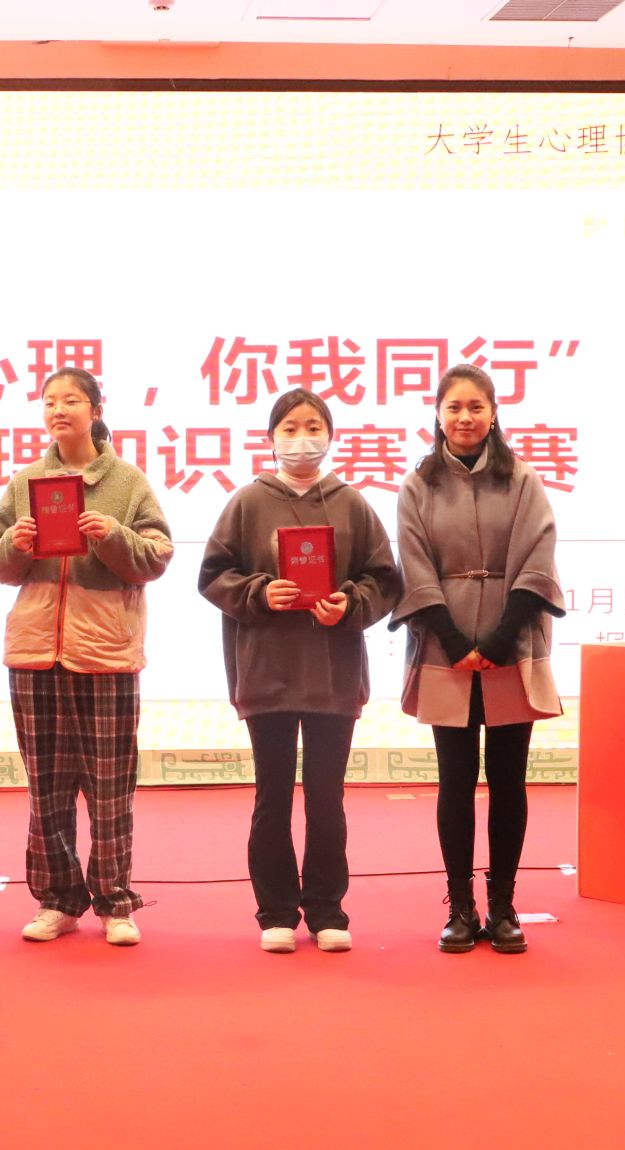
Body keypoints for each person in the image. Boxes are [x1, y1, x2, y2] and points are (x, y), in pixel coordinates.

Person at [199, 388, 402, 954]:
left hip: (332, 673)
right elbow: (213, 576)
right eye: (289, 428)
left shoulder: (352, 504)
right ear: (271, 438)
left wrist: (350, 604)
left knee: (326, 798)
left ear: (330, 436)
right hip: (266, 672)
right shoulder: (247, 502)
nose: (301, 438)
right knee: (272, 797)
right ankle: (276, 912)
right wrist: (261, 593)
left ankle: (327, 909)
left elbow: (385, 580)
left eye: (313, 427)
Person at [0, 367, 173, 946]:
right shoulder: (26, 482)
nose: (58, 410)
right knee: (46, 788)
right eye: (49, 401)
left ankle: (115, 902)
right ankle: (58, 900)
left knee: (110, 787)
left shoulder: (127, 482)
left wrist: (112, 534)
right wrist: (14, 546)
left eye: (70, 400)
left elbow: (157, 555)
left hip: (105, 651)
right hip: (35, 652)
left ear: (96, 410)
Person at [389, 364, 565, 954]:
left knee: (509, 779)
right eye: (454, 407)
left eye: (475, 407)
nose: (464, 417)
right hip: (445, 648)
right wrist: (453, 638)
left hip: (513, 646)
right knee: (455, 780)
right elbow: (414, 564)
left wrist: (498, 640)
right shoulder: (418, 485)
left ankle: (504, 906)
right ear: (437, 415)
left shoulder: (523, 479)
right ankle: (461, 909)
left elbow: (538, 557)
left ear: (493, 413)